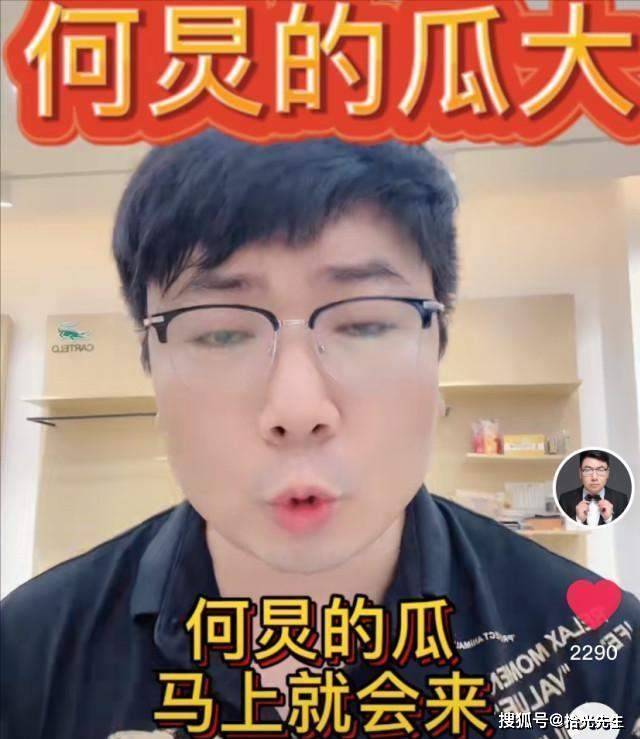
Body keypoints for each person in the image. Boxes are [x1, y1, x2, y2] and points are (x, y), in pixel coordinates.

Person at [1, 132, 639, 739]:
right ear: (152, 368)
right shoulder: (25, 657)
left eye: (364, 324)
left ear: (437, 352)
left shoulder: (601, 659)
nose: (297, 408)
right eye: (221, 332)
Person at [558, 450, 630, 527]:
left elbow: (626, 529)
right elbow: (559, 529)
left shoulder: (621, 500)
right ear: (580, 473)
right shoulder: (565, 500)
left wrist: (610, 519)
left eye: (600, 470)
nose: (594, 477)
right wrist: (577, 520)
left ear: (607, 473)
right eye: (587, 470)